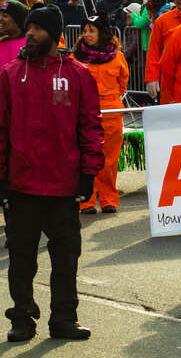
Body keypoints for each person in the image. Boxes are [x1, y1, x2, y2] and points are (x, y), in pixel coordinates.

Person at [0, 5, 102, 342]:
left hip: (64, 187)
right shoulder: (10, 73)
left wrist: (88, 172)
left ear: (54, 34)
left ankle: (64, 319)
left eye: (37, 28)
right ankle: (21, 318)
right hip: (21, 187)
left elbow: (90, 127)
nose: (31, 34)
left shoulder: (78, 74)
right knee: (22, 260)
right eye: (29, 28)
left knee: (66, 259)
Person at [73, 13, 127, 214]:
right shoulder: (75, 58)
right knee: (85, 157)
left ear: (102, 33)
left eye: (91, 31)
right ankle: (86, 200)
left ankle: (108, 199)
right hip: (84, 113)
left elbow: (123, 84)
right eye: (84, 31)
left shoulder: (118, 57)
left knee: (110, 159)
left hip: (111, 112)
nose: (86, 35)